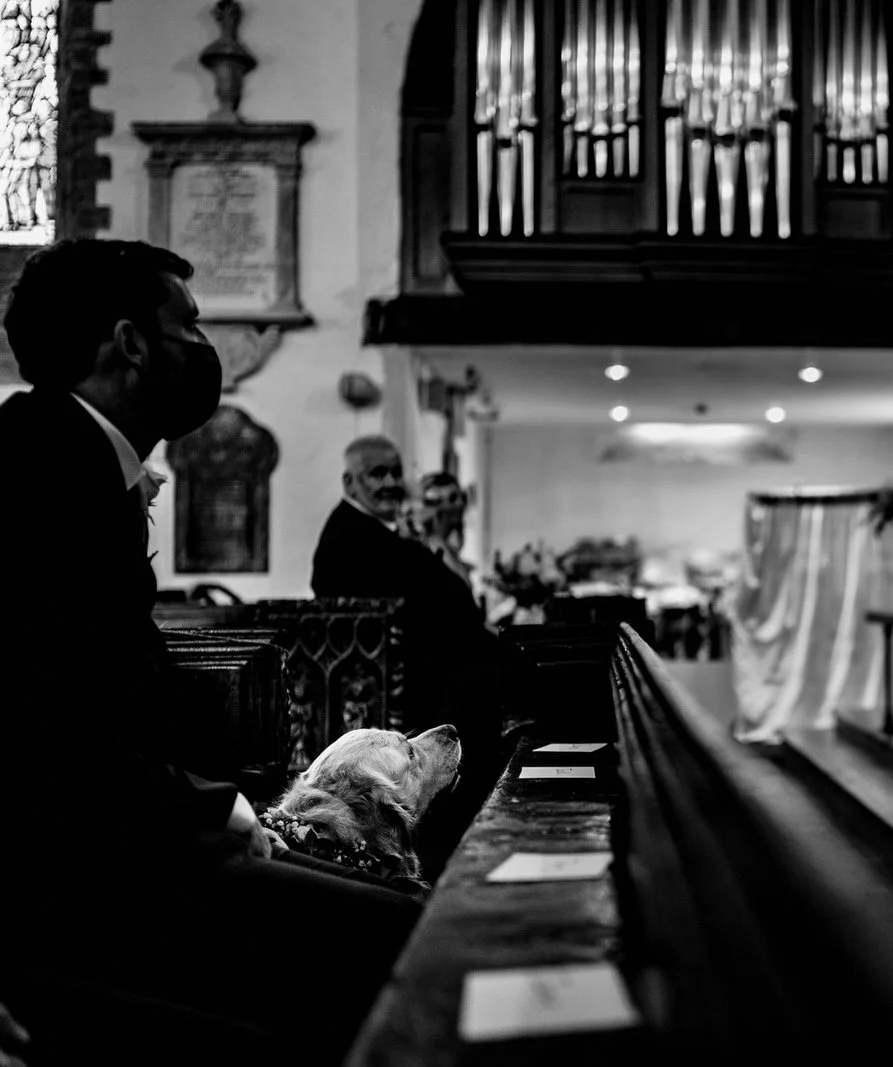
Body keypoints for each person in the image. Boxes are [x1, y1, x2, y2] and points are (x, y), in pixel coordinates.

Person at [0, 240, 420, 1067]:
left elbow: (125, 682)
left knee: (393, 902)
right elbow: (43, 725)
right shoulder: (46, 476)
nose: (201, 346)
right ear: (129, 343)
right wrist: (211, 808)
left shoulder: (68, 457)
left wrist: (236, 796)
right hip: (67, 881)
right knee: (406, 940)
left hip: (100, 839)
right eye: (186, 322)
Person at [311, 436, 504, 870]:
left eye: (396, 472)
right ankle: (458, 859)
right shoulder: (351, 535)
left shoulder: (380, 533)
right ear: (350, 481)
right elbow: (440, 594)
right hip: (403, 695)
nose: (391, 483)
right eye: (377, 473)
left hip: (423, 678)